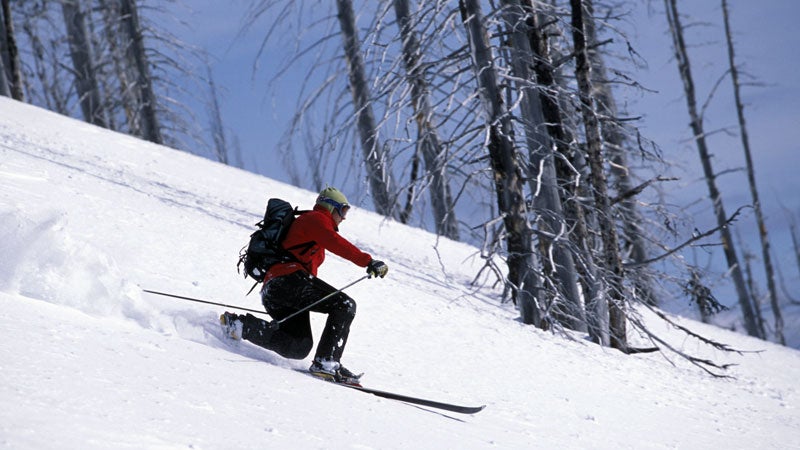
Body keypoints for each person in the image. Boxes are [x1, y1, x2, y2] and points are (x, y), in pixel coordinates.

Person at [220, 187, 388, 383]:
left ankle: (241, 325)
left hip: (275, 290)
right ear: (330, 207)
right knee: (344, 305)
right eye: (343, 210)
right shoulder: (316, 219)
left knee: (298, 346)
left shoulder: (314, 228)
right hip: (287, 281)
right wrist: (368, 261)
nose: (344, 218)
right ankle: (326, 361)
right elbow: (336, 242)